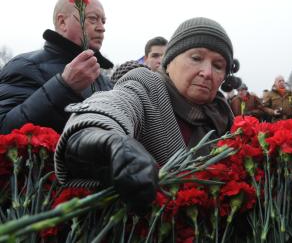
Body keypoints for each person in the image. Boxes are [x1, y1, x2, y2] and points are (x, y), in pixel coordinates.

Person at [54, 17, 241, 214]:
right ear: (168, 62)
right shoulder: (146, 87)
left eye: (218, 65)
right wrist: (107, 142)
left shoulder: (221, 116)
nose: (207, 72)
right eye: (196, 58)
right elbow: (111, 106)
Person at [0, 0, 113, 134]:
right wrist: (63, 87)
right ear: (62, 22)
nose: (101, 28)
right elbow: (4, 128)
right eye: (93, 19)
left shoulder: (105, 82)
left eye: (103, 21)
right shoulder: (25, 66)